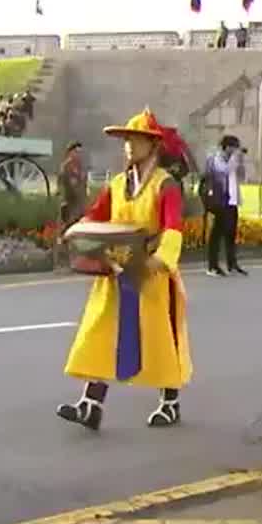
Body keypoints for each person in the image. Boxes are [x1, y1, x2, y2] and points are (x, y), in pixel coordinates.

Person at [56, 109, 192, 430]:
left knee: (159, 337)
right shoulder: (117, 184)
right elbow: (96, 216)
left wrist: (160, 260)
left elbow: (173, 227)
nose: (129, 147)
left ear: (152, 146)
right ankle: (91, 404)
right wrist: (78, 234)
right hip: (116, 270)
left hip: (151, 271)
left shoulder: (165, 185)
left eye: (136, 140)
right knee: (101, 332)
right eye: (126, 141)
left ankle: (170, 402)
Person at [201, 135, 247, 276]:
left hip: (232, 200)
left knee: (231, 234)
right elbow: (224, 170)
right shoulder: (216, 158)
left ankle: (232, 264)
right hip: (220, 201)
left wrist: (241, 162)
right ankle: (212, 265)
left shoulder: (234, 159)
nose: (235, 150)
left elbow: (242, 177)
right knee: (217, 234)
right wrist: (234, 159)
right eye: (233, 147)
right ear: (226, 147)